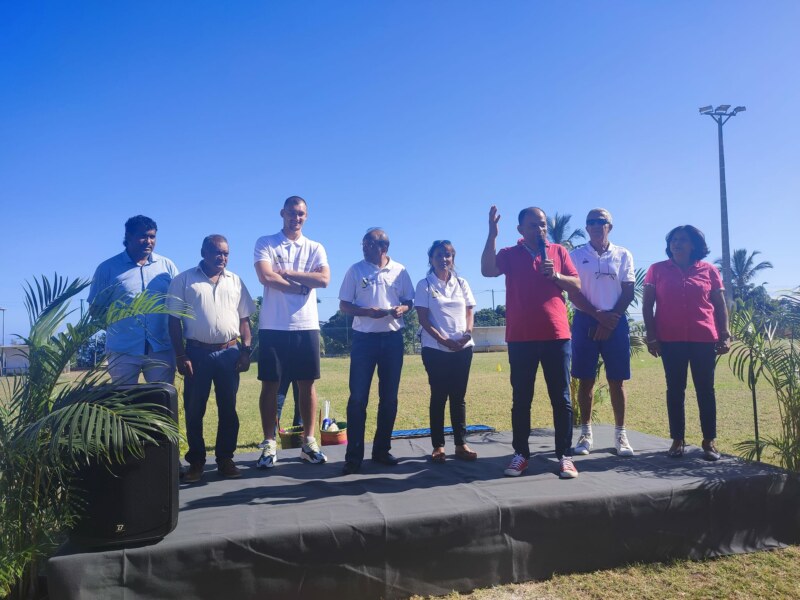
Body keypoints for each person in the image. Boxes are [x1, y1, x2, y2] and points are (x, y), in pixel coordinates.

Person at [481, 205, 582, 479]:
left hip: (556, 336)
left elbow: (577, 284)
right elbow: (487, 270)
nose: (540, 229)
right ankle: (521, 455)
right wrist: (492, 234)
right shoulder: (509, 254)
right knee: (521, 398)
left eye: (542, 225)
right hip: (521, 338)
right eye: (533, 225)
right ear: (520, 230)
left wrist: (557, 276)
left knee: (561, 398)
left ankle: (565, 455)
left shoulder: (558, 252)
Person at [167, 235, 256, 482]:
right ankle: (196, 462)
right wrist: (180, 354)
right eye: (217, 252)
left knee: (229, 409)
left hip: (229, 353)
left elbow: (244, 320)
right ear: (203, 252)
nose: (222, 257)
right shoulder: (184, 280)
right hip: (196, 354)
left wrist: (246, 351)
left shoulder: (236, 281)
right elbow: (173, 321)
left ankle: (225, 459)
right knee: (195, 410)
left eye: (226, 253)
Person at [642, 225, 731, 461]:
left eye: (682, 240)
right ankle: (677, 440)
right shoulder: (657, 270)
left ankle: (709, 441)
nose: (676, 244)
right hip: (670, 340)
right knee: (675, 390)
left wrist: (725, 334)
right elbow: (647, 305)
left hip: (703, 338)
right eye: (673, 240)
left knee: (706, 390)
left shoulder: (709, 270)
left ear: (694, 245)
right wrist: (652, 337)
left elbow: (720, 305)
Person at [253, 196, 330, 468]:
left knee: (307, 385)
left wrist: (286, 271)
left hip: (306, 325)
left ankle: (308, 442)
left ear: (306, 216)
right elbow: (265, 276)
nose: (295, 218)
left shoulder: (315, 247)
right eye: (291, 213)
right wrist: (299, 285)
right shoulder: (266, 242)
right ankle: (269, 443)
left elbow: (324, 279)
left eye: (301, 214)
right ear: (282, 213)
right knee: (270, 386)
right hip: (274, 325)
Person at [338, 228, 415, 475]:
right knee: (358, 398)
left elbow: (409, 301)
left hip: (392, 339)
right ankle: (354, 457)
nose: (363, 246)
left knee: (389, 398)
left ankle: (381, 450)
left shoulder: (400, 271)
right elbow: (344, 305)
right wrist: (366, 312)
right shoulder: (355, 270)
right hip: (364, 340)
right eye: (363, 243)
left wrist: (403, 308)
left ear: (383, 247)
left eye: (368, 243)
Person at [567, 208, 636, 457]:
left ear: (610, 226)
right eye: (591, 222)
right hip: (586, 319)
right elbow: (573, 293)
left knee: (616, 381)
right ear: (586, 228)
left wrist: (609, 321)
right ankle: (585, 434)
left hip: (615, 321)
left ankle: (621, 434)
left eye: (601, 221)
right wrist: (598, 316)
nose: (596, 225)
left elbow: (628, 290)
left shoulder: (623, 254)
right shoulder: (575, 255)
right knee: (585, 380)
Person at [88, 215, 178, 384]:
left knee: (161, 402)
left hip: (161, 348)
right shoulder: (107, 269)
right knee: (125, 404)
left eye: (152, 236)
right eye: (143, 236)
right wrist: (119, 330)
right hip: (123, 350)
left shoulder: (167, 267)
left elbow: (178, 305)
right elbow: (96, 310)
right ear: (128, 236)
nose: (149, 241)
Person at [416, 240, 478, 463]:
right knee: (439, 396)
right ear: (431, 259)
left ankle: (461, 444)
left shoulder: (462, 283)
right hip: (435, 349)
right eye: (439, 255)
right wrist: (443, 339)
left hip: (463, 348)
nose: (444, 259)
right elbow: (423, 318)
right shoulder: (425, 285)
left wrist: (467, 334)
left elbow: (470, 311)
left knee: (458, 397)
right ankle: (438, 446)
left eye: (449, 255)